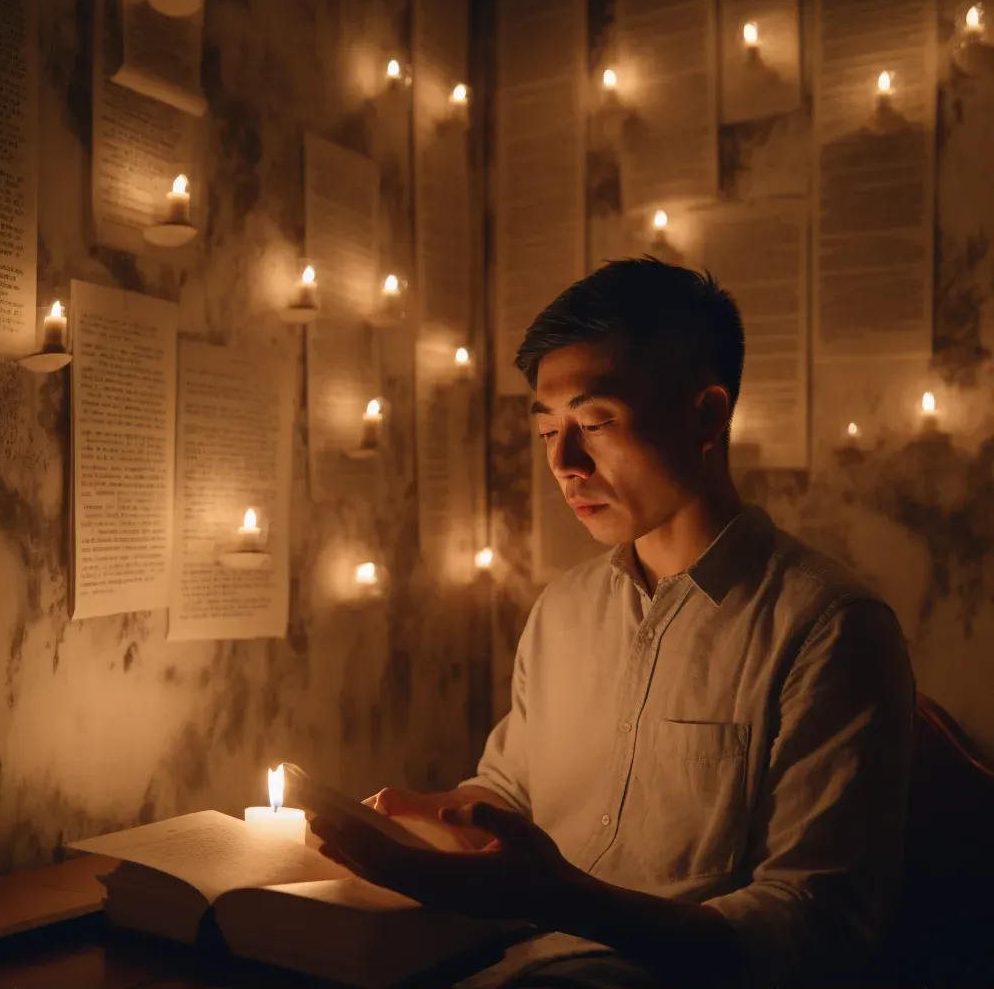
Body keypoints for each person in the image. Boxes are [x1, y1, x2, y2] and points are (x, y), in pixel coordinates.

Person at [310, 258, 916, 988]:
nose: (565, 463)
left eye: (596, 423)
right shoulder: (564, 611)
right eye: (547, 431)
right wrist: (417, 815)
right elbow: (512, 793)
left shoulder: (829, 630)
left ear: (707, 417)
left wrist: (565, 899)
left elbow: (813, 929)